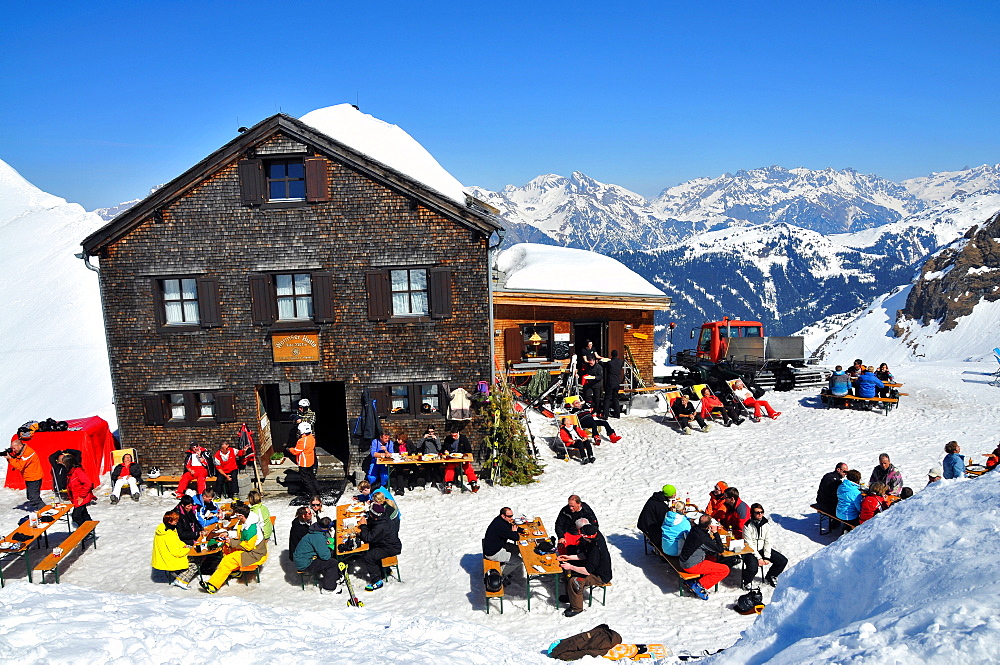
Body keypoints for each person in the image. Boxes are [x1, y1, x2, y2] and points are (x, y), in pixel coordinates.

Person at [201, 504, 268, 594]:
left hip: (255, 554)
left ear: (241, 515)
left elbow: (248, 546)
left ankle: (213, 585)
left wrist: (231, 542)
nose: (235, 517)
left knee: (228, 560)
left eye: (236, 515)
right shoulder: (244, 522)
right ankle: (235, 571)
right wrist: (227, 534)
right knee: (226, 548)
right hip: (251, 550)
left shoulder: (251, 529)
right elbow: (239, 534)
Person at [558, 523, 612, 617]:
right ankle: (570, 597)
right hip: (592, 568)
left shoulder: (596, 549)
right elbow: (584, 555)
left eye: (582, 535)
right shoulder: (593, 538)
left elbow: (587, 570)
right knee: (568, 572)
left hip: (599, 575)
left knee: (574, 581)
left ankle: (576, 608)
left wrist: (571, 566)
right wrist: (569, 557)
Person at [678, 514, 729, 599]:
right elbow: (720, 549)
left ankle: (698, 581)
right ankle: (699, 585)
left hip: (684, 560)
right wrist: (715, 533)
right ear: (709, 526)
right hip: (691, 565)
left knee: (713, 559)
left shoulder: (695, 529)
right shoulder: (703, 538)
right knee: (724, 569)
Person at [740, 503, 788, 588]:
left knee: (782, 561)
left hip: (762, 548)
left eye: (761, 512)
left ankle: (771, 576)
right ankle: (746, 581)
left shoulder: (766, 524)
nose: (760, 514)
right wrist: (759, 558)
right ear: (752, 514)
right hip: (750, 551)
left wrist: (766, 557)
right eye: (757, 512)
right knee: (753, 568)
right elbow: (749, 543)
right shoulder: (747, 526)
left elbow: (768, 541)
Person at [357, 501, 402, 592]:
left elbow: (368, 538)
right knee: (371, 549)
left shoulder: (381, 525)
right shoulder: (382, 517)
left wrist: (363, 526)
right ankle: (382, 570)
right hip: (385, 543)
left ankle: (377, 581)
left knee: (368, 557)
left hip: (391, 548)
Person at [151, 510, 200, 590]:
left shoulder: (166, 529)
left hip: (164, 556)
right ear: (170, 521)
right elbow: (177, 553)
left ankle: (179, 574)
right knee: (195, 561)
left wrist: (185, 546)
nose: (177, 522)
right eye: (175, 520)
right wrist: (188, 549)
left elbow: (177, 542)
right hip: (169, 559)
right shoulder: (168, 534)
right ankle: (181, 580)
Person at [293, 516, 339, 591]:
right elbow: (325, 556)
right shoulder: (318, 537)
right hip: (305, 563)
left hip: (303, 558)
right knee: (332, 563)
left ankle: (333, 576)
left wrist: (325, 542)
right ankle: (328, 588)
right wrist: (328, 547)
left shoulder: (315, 530)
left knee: (330, 557)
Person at [3, 432, 45, 511]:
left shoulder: (28, 453)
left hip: (34, 477)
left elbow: (20, 466)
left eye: (14, 448)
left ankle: (45, 511)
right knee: (30, 496)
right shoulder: (22, 451)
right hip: (29, 477)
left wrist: (10, 458)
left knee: (34, 498)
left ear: (20, 445)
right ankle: (41, 509)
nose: (13, 450)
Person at [483, 507, 520, 578]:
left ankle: (506, 563)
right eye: (509, 516)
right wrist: (515, 531)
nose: (511, 518)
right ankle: (500, 574)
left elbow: (510, 526)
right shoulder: (501, 526)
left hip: (497, 546)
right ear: (503, 516)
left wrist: (522, 530)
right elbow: (515, 538)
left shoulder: (500, 520)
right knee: (518, 561)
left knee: (517, 549)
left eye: (512, 515)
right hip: (493, 553)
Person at [442, 427, 480, 492]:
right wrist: (445, 450)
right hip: (452, 458)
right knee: (449, 468)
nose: (453, 437)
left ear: (458, 433)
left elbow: (469, 450)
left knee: (468, 467)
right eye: (452, 436)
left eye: (455, 436)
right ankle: (448, 484)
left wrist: (463, 454)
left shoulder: (463, 439)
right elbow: (443, 448)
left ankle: (473, 483)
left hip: (462, 458)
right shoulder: (448, 439)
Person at [64, 452, 96, 527]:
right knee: (84, 513)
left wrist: (82, 496)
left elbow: (88, 483)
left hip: (81, 497)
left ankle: (86, 530)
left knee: (76, 516)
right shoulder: (70, 472)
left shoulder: (78, 471)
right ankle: (90, 528)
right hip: (76, 497)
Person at [291, 422, 321, 497]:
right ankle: (318, 491)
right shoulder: (312, 437)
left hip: (303, 462)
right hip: (311, 460)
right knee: (312, 477)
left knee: (306, 480)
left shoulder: (302, 440)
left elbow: (296, 451)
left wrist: (289, 449)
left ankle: (313, 494)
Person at [602, 350, 624, 418]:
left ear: (611, 355)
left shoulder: (610, 363)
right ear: (617, 355)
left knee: (607, 398)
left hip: (610, 382)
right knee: (615, 398)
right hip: (617, 382)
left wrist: (600, 361)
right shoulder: (620, 362)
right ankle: (617, 414)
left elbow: (603, 365)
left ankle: (605, 414)